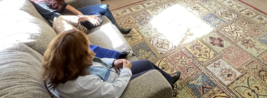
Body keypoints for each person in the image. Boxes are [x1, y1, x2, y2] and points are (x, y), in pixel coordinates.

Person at [42, 30, 181, 98]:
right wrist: (126, 71)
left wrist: (114, 62)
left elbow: (94, 63)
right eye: (86, 50)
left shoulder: (63, 65)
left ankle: (169, 81)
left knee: (145, 63)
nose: (90, 51)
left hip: (110, 73)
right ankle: (165, 87)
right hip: (114, 85)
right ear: (77, 58)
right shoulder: (81, 84)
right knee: (152, 74)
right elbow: (113, 92)